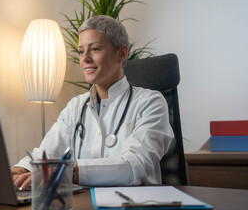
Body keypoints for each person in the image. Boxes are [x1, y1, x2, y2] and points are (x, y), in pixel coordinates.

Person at [12, 15, 173, 190]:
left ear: (122, 53)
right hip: (84, 208)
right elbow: (46, 155)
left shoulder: (151, 103)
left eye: (95, 49)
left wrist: (64, 172)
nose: (85, 59)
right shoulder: (76, 106)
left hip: (135, 208)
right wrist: (20, 169)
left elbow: (134, 166)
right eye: (81, 51)